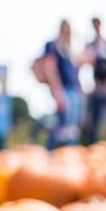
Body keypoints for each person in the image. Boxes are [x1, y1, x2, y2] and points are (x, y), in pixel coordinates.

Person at [42, 20, 82, 149]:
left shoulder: (68, 49)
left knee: (72, 126)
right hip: (63, 89)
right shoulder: (52, 45)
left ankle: (69, 153)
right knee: (61, 123)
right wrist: (57, 90)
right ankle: (52, 153)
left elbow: (75, 70)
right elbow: (50, 68)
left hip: (73, 89)